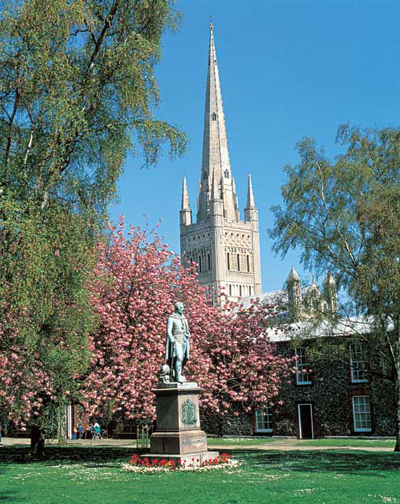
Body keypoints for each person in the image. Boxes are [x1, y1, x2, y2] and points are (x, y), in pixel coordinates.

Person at [165, 302, 190, 383]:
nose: (183, 309)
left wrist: (187, 334)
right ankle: (178, 376)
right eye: (181, 307)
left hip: (184, 339)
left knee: (185, 358)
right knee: (179, 357)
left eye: (183, 307)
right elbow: (168, 330)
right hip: (176, 339)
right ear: (177, 308)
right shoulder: (172, 317)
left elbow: (186, 329)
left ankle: (178, 373)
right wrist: (171, 338)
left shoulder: (184, 318)